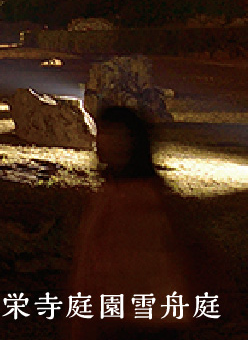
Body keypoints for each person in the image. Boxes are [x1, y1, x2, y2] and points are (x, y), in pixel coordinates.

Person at [66, 106, 203, 340]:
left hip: (145, 318)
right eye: (103, 134)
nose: (104, 143)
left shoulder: (146, 197)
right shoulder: (112, 195)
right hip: (127, 315)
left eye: (114, 136)